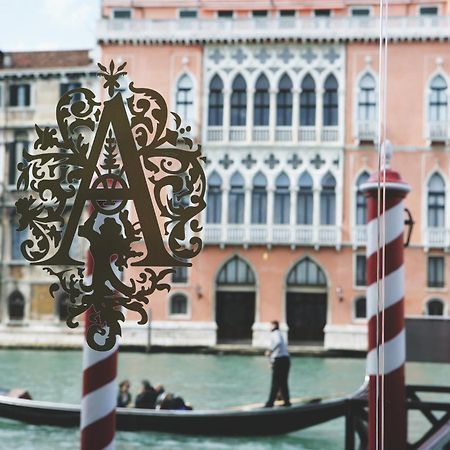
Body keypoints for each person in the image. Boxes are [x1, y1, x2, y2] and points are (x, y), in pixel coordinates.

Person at [264, 320, 291, 407]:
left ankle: (270, 403)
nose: (269, 327)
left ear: (274, 326)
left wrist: (270, 350)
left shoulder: (275, 333)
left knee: (275, 383)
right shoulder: (279, 333)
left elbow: (277, 343)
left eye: (270, 325)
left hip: (280, 361)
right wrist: (271, 362)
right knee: (283, 383)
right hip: (285, 360)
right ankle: (287, 402)